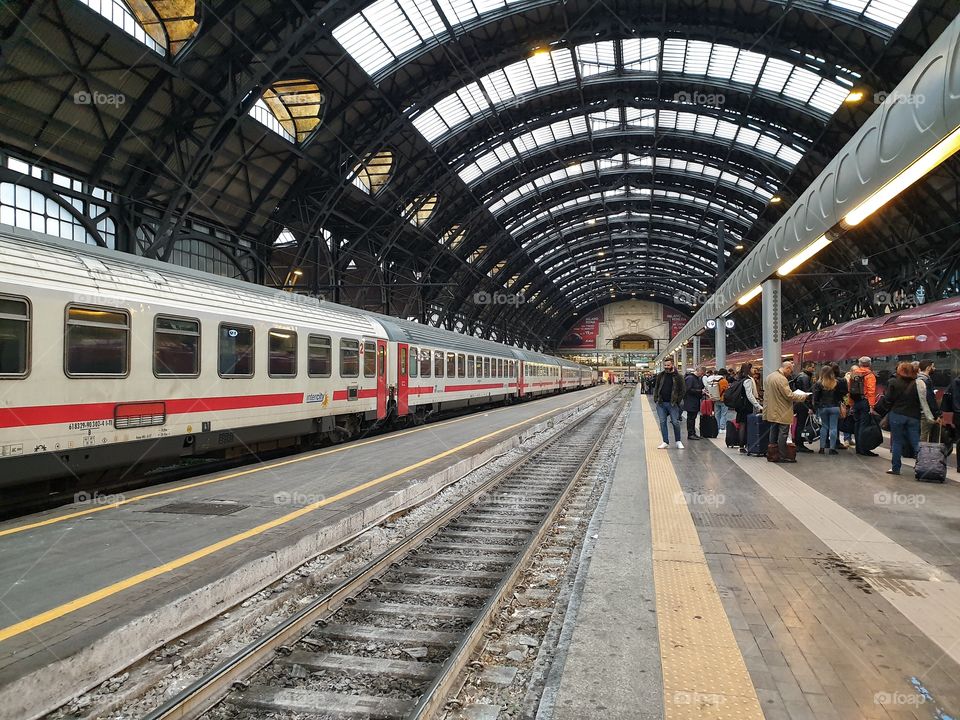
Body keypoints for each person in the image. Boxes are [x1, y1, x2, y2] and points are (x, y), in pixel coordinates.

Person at [883, 362, 922, 475]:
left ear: (900, 371)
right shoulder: (918, 384)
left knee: (897, 442)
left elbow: (888, 399)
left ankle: (896, 468)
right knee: (915, 442)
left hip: (897, 415)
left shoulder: (893, 382)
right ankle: (922, 467)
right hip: (913, 416)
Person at [763, 361, 802, 462]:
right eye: (790, 371)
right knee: (783, 433)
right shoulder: (782, 379)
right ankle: (782, 455)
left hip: (772, 410)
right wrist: (803, 396)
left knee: (773, 431)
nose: (790, 374)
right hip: (782, 411)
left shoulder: (769, 377)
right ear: (787, 368)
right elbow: (789, 395)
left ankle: (772, 454)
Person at [850, 357, 878, 457]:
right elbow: (871, 392)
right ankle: (863, 449)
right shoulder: (870, 375)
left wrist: (851, 404)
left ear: (859, 363)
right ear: (869, 364)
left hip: (856, 402)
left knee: (857, 425)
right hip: (865, 402)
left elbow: (850, 390)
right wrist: (871, 406)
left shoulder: (854, 373)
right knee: (863, 425)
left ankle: (858, 447)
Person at [654, 358, 685, 449]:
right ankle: (665, 441)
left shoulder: (678, 376)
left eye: (668, 365)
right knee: (662, 422)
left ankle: (678, 441)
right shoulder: (661, 375)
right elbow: (657, 387)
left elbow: (683, 390)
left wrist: (677, 401)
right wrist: (656, 398)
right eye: (665, 365)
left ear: (672, 365)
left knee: (675, 422)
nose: (666, 367)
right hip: (661, 403)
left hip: (672, 404)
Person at [812, 366, 842, 455]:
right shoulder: (836, 383)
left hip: (823, 408)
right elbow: (840, 396)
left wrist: (816, 408)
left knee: (824, 427)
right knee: (833, 427)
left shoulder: (819, 383)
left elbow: (816, 397)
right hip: (834, 407)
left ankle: (822, 448)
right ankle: (832, 449)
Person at [734, 362, 763, 453]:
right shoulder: (748, 380)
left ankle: (742, 445)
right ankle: (743, 445)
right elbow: (749, 395)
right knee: (744, 425)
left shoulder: (739, 378)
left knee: (742, 424)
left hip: (740, 405)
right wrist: (758, 406)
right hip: (746, 406)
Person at [792, 362, 815, 453]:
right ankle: (800, 444)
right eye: (812, 367)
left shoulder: (800, 376)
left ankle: (799, 443)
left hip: (799, 403)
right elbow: (806, 393)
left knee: (800, 424)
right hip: (803, 404)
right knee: (801, 425)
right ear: (807, 367)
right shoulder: (805, 377)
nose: (813, 369)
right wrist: (810, 407)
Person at [916, 360, 942, 441]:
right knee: (924, 436)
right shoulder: (926, 381)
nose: (934, 368)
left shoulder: (917, 379)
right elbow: (930, 399)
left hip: (918, 411)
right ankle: (922, 453)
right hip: (925, 413)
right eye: (933, 367)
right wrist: (937, 414)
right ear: (928, 368)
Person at [684, 366, 707, 440]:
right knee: (691, 418)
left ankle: (693, 433)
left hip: (694, 401)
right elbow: (688, 389)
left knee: (693, 417)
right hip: (690, 401)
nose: (702, 375)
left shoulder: (696, 378)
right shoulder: (690, 378)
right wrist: (700, 391)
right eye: (702, 373)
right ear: (698, 371)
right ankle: (690, 434)